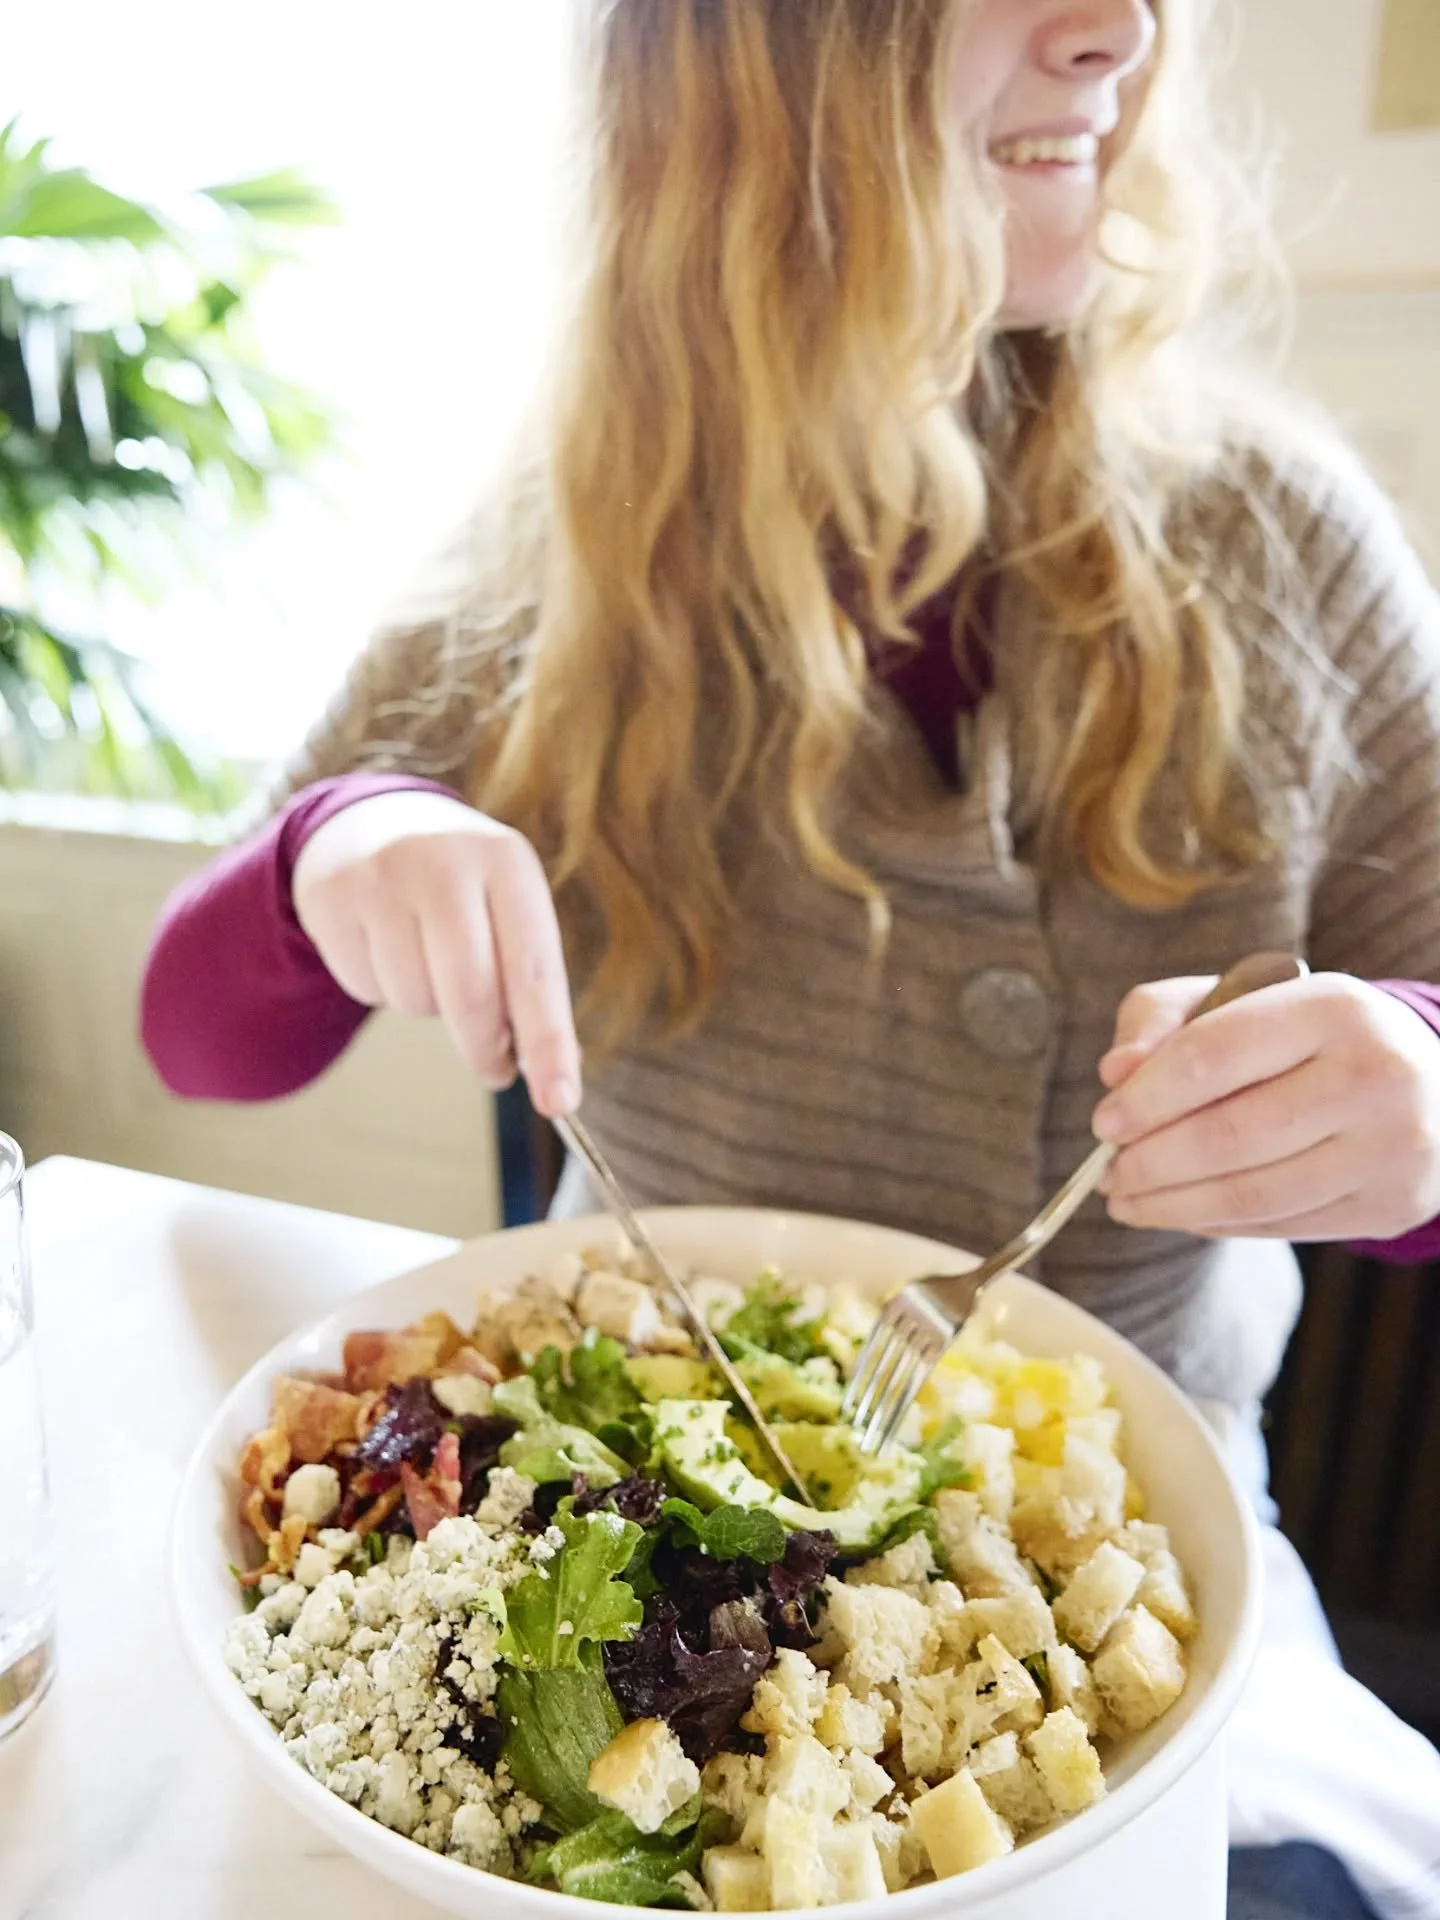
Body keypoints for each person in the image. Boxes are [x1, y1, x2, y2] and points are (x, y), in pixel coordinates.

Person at [140, 4, 1440, 1914]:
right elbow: (193, 1033)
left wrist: (1415, 1091)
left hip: (1192, 1562)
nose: (1120, 29)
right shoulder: (556, 568)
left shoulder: (1284, 539)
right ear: (758, 65)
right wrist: (338, 855)